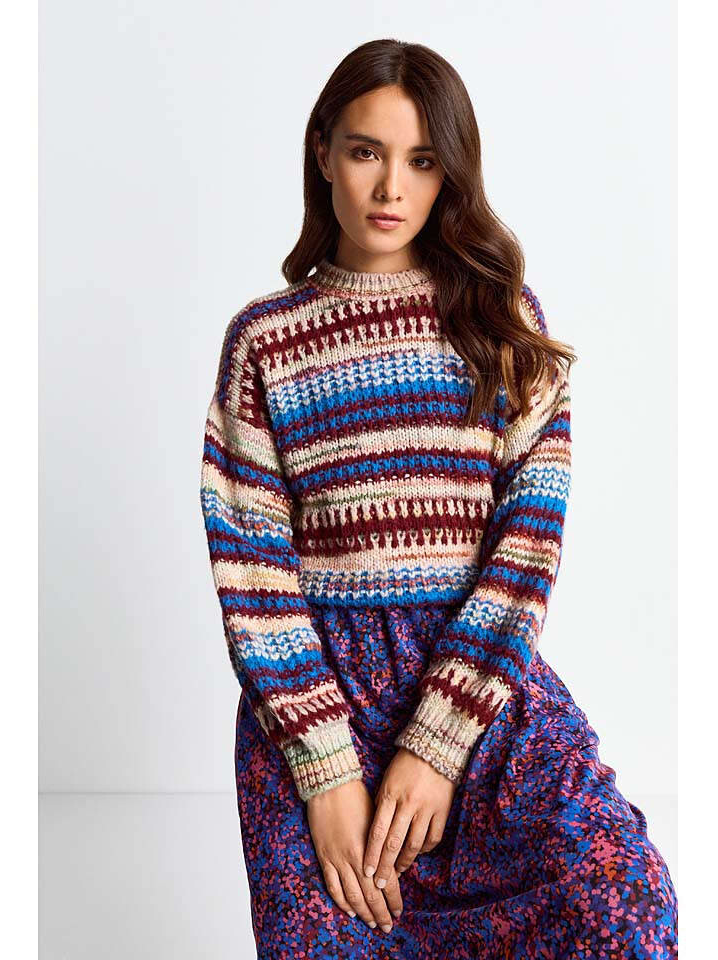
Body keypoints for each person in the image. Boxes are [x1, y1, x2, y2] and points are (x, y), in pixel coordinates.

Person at [199, 38, 678, 960]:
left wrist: (437, 744)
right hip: (314, 702)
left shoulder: (503, 323)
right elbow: (252, 567)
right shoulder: (264, 342)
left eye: (422, 161)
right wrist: (326, 772)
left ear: (451, 173)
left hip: (478, 688)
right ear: (323, 152)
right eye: (365, 151)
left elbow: (527, 548)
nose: (391, 187)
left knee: (624, 903)